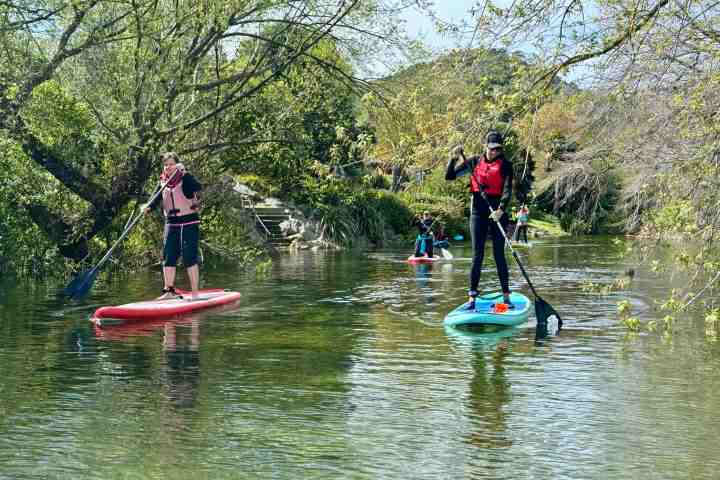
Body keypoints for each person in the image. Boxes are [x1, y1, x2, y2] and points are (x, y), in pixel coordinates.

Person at [446, 131, 514, 309]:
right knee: (478, 255)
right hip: (478, 211)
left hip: (498, 212)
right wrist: (454, 158)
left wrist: (501, 209)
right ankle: (472, 297)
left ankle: (506, 297)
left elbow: (507, 190)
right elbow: (450, 176)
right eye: (491, 148)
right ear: (485, 146)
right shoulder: (474, 162)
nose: (494, 152)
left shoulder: (506, 165)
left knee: (499, 255)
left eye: (497, 149)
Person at [144, 152, 203, 300]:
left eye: (171, 164)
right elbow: (155, 200)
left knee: (189, 257)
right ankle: (168, 291)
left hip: (189, 221)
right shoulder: (163, 181)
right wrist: (147, 207)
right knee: (168, 256)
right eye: (166, 164)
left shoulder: (185, 178)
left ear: (177, 164)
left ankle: (195, 293)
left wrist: (185, 173)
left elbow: (197, 186)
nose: (168, 167)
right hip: (172, 222)